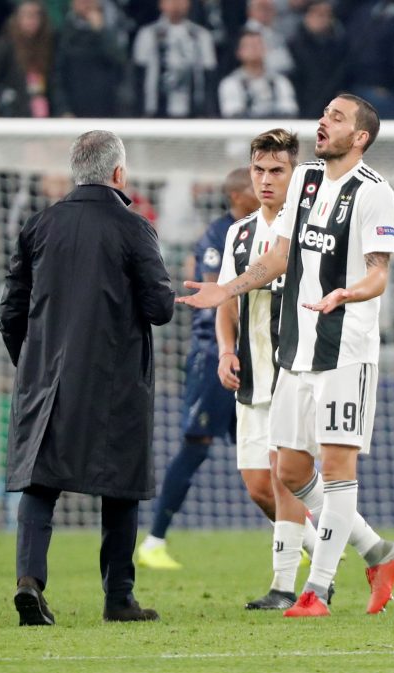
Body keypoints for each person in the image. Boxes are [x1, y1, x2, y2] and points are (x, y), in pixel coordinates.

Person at [178, 93, 394, 618]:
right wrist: (226, 290)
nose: (323, 123)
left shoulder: (375, 193)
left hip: (345, 349)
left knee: (336, 466)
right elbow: (279, 256)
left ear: (361, 137)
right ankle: (378, 553)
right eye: (324, 114)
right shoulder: (304, 180)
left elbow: (379, 270)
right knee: (288, 469)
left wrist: (349, 293)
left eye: (337, 118)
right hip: (295, 353)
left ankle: (317, 590)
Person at [0, 130, 174, 625]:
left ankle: (30, 583)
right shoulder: (134, 228)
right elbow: (160, 309)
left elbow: (10, 312)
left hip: (47, 381)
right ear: (119, 174)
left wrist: (31, 367)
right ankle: (118, 598)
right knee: (120, 486)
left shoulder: (39, 226)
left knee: (39, 485)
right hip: (115, 382)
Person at [215, 128, 320, 609]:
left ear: (294, 173)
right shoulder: (238, 234)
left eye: (277, 170)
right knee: (259, 486)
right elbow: (225, 301)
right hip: (251, 377)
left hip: (294, 373)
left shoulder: (310, 231)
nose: (266, 179)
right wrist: (224, 350)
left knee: (284, 478)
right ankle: (330, 557)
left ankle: (284, 587)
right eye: (259, 170)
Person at [136, 167, 258, 570]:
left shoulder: (267, 229)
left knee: (265, 450)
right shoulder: (218, 235)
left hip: (253, 351)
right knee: (197, 445)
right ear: (240, 195)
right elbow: (217, 293)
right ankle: (153, 541)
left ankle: (303, 538)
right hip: (214, 352)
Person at [217, 30, 298, 119]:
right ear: (239, 52)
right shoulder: (230, 83)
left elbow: (289, 111)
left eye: (258, 44)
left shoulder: (280, 82)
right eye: (249, 46)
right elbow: (232, 114)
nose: (254, 49)